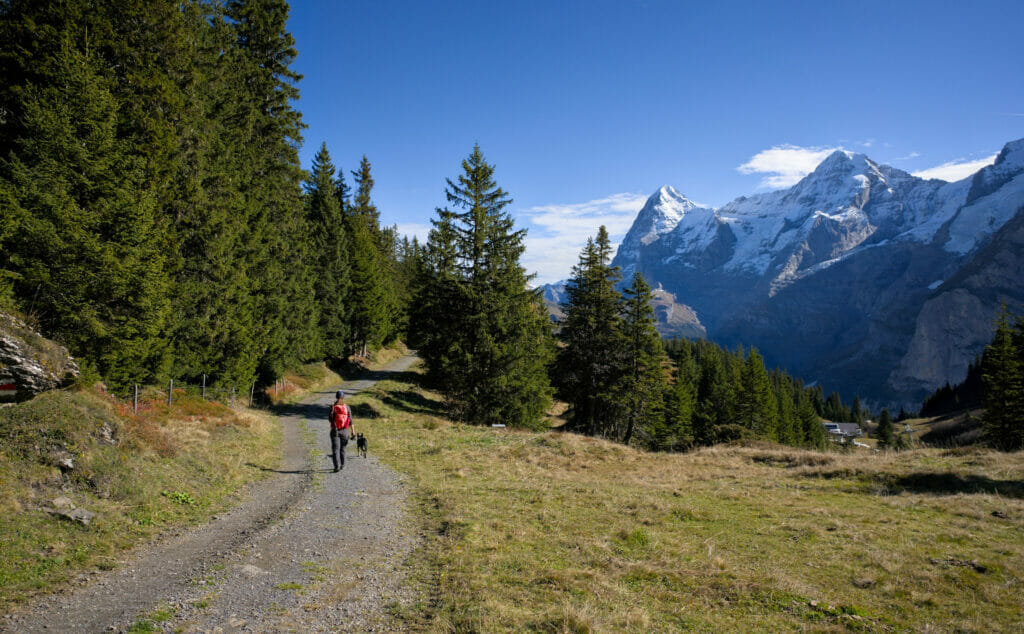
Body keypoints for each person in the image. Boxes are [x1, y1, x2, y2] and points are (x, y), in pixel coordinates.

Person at [328, 389, 355, 472]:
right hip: (345, 431)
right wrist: (353, 431)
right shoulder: (347, 407)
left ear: (336, 397)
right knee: (343, 449)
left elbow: (330, 419)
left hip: (335, 431)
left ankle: (337, 467)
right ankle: (343, 465)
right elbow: (351, 421)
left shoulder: (333, 407)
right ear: (343, 397)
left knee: (335, 449)